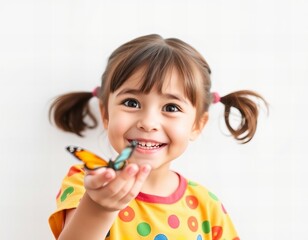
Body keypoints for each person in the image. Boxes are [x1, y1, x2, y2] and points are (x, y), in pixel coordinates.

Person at [48, 34, 267, 240]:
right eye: (132, 103)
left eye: (171, 107)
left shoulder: (207, 205)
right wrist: (99, 206)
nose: (149, 123)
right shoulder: (89, 181)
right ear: (106, 114)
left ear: (197, 125)